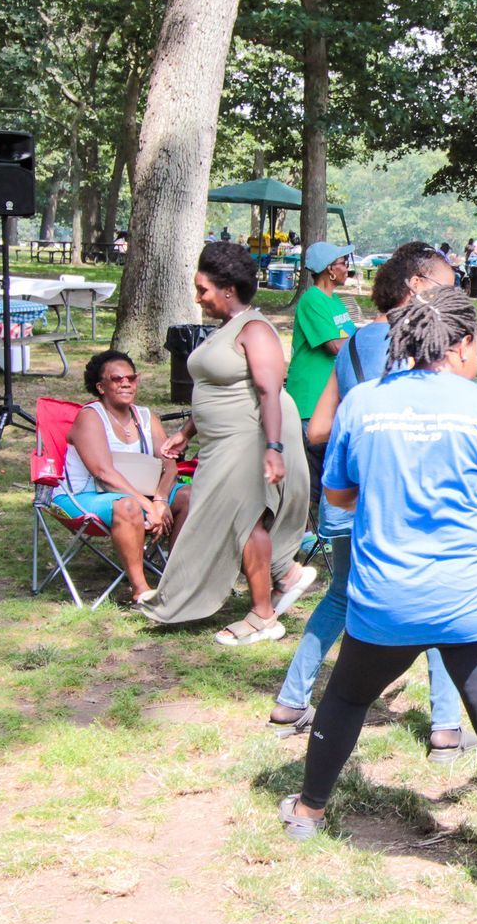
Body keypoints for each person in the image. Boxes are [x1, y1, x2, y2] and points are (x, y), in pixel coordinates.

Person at [280, 287, 477, 924]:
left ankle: (310, 812)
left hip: (385, 598)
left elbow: (337, 495)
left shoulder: (364, 404)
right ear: (460, 345)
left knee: (345, 699)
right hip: (475, 601)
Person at [284, 244, 467, 757]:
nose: (453, 293)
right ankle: (446, 726)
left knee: (340, 596)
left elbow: (318, 431)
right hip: (407, 499)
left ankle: (290, 700)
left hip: (347, 498)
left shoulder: (352, 346)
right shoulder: (429, 344)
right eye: (445, 283)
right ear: (415, 286)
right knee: (436, 601)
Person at [146, 242, 316, 642]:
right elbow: (214, 389)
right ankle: (286, 575)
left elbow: (269, 390)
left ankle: (263, 617)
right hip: (222, 440)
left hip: (252, 435)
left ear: (227, 289)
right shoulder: (226, 330)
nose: (198, 297)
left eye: (203, 289)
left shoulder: (255, 329)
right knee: (233, 516)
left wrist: (273, 449)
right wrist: (185, 433)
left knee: (244, 518)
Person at [58, 350, 181, 605]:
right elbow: (103, 473)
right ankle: (141, 589)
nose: (126, 383)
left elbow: (170, 465)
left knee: (189, 495)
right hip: (85, 496)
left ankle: (178, 578)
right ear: (101, 387)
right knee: (129, 505)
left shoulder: (147, 417)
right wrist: (148, 504)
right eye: (117, 379)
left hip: (143, 492)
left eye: (131, 377)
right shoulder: (90, 417)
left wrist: (160, 499)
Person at [284, 241, 358, 507]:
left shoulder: (335, 301)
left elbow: (352, 338)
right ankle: (308, 529)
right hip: (310, 396)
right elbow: (334, 345)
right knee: (313, 468)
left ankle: (322, 522)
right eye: (343, 263)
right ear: (329, 269)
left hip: (330, 395)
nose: (346, 268)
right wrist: (362, 345)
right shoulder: (312, 299)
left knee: (329, 462)